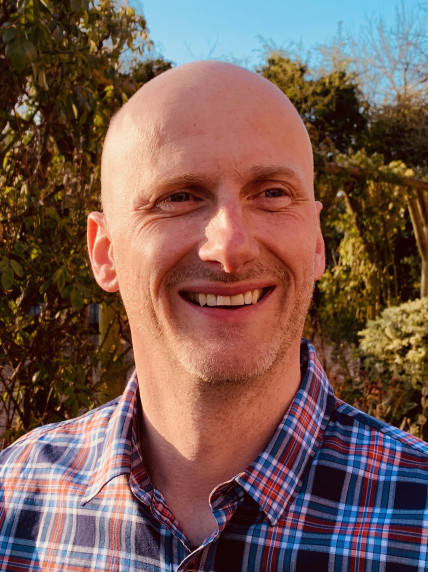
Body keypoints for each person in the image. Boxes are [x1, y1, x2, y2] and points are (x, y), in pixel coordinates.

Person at [0, 61, 427, 572]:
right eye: (178, 197)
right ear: (105, 252)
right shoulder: (14, 499)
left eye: (272, 193)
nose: (231, 247)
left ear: (316, 242)